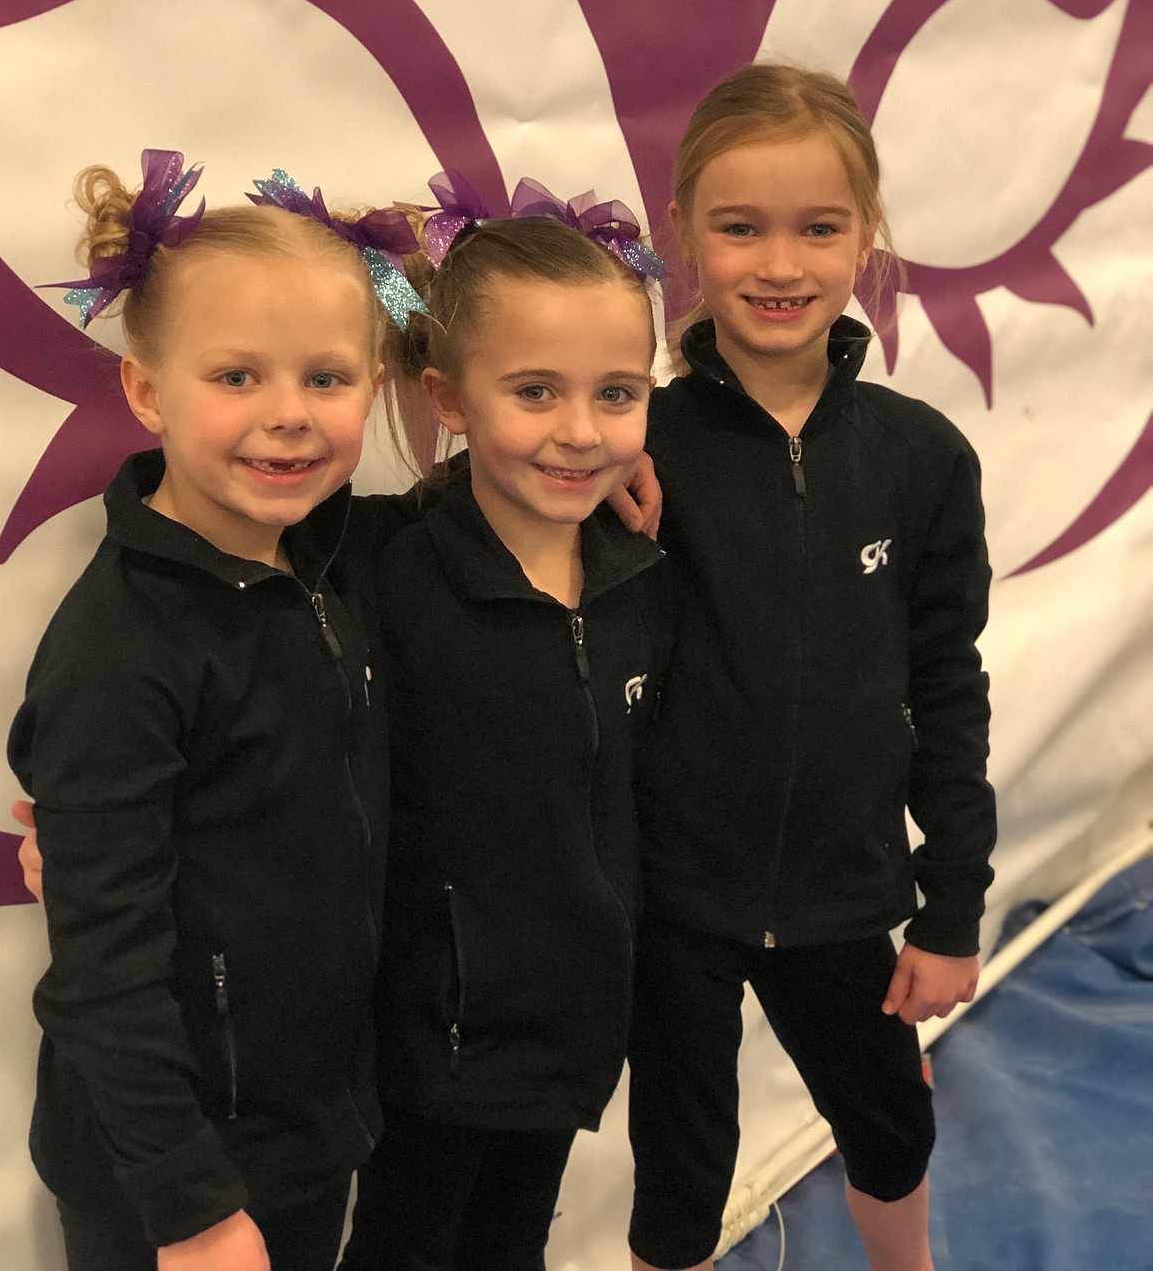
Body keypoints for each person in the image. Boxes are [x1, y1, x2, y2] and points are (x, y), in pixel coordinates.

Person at [627, 65, 996, 1271]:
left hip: (848, 894)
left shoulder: (921, 458)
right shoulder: (635, 442)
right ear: (684, 236)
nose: (778, 264)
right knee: (680, 1163)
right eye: (739, 228)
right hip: (673, 895)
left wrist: (948, 906)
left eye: (818, 227)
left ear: (866, 238)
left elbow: (947, 687)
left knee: (890, 1125)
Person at [7, 151, 399, 1271]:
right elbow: (102, 965)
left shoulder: (343, 559)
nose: (288, 417)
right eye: (236, 377)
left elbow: (427, 306)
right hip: (167, 1173)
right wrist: (187, 1204)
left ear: (376, 384)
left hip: (307, 1127)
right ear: (145, 389)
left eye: (329, 378)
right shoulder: (118, 652)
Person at [337, 198, 673, 1271]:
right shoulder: (380, 568)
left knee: (512, 1242)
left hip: (571, 1029)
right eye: (535, 392)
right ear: (449, 397)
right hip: (431, 1041)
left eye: (616, 394)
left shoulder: (644, 577)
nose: (581, 430)